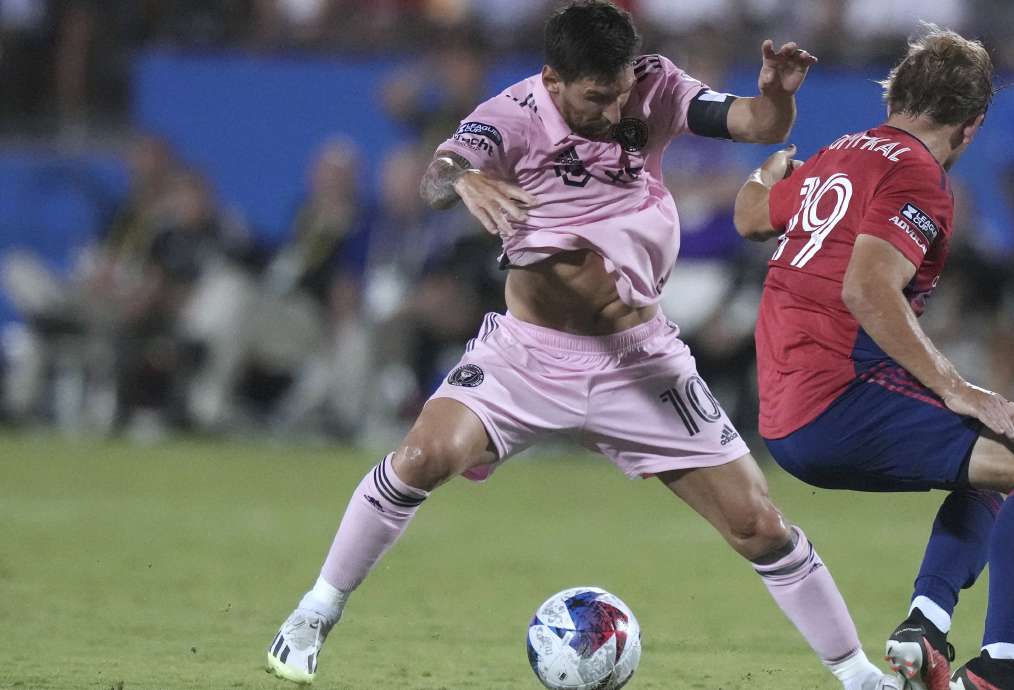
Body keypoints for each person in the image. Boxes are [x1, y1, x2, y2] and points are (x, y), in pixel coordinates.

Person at [265, 3, 902, 689]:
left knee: (759, 524)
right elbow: (438, 173)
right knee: (419, 458)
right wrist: (465, 176)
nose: (614, 108)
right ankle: (312, 614)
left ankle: (861, 676)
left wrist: (775, 94)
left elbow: (754, 124)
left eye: (621, 90)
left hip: (640, 361)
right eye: (597, 97)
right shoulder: (511, 114)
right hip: (528, 358)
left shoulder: (652, 86)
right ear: (553, 80)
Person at [733, 26, 1014, 690]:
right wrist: (954, 386)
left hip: (784, 411)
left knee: (996, 462)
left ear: (895, 92)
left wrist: (768, 168)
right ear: (973, 125)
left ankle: (925, 626)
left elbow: (752, 215)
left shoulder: (839, 155)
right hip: (839, 395)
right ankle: (1005, 666)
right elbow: (866, 287)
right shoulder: (916, 172)